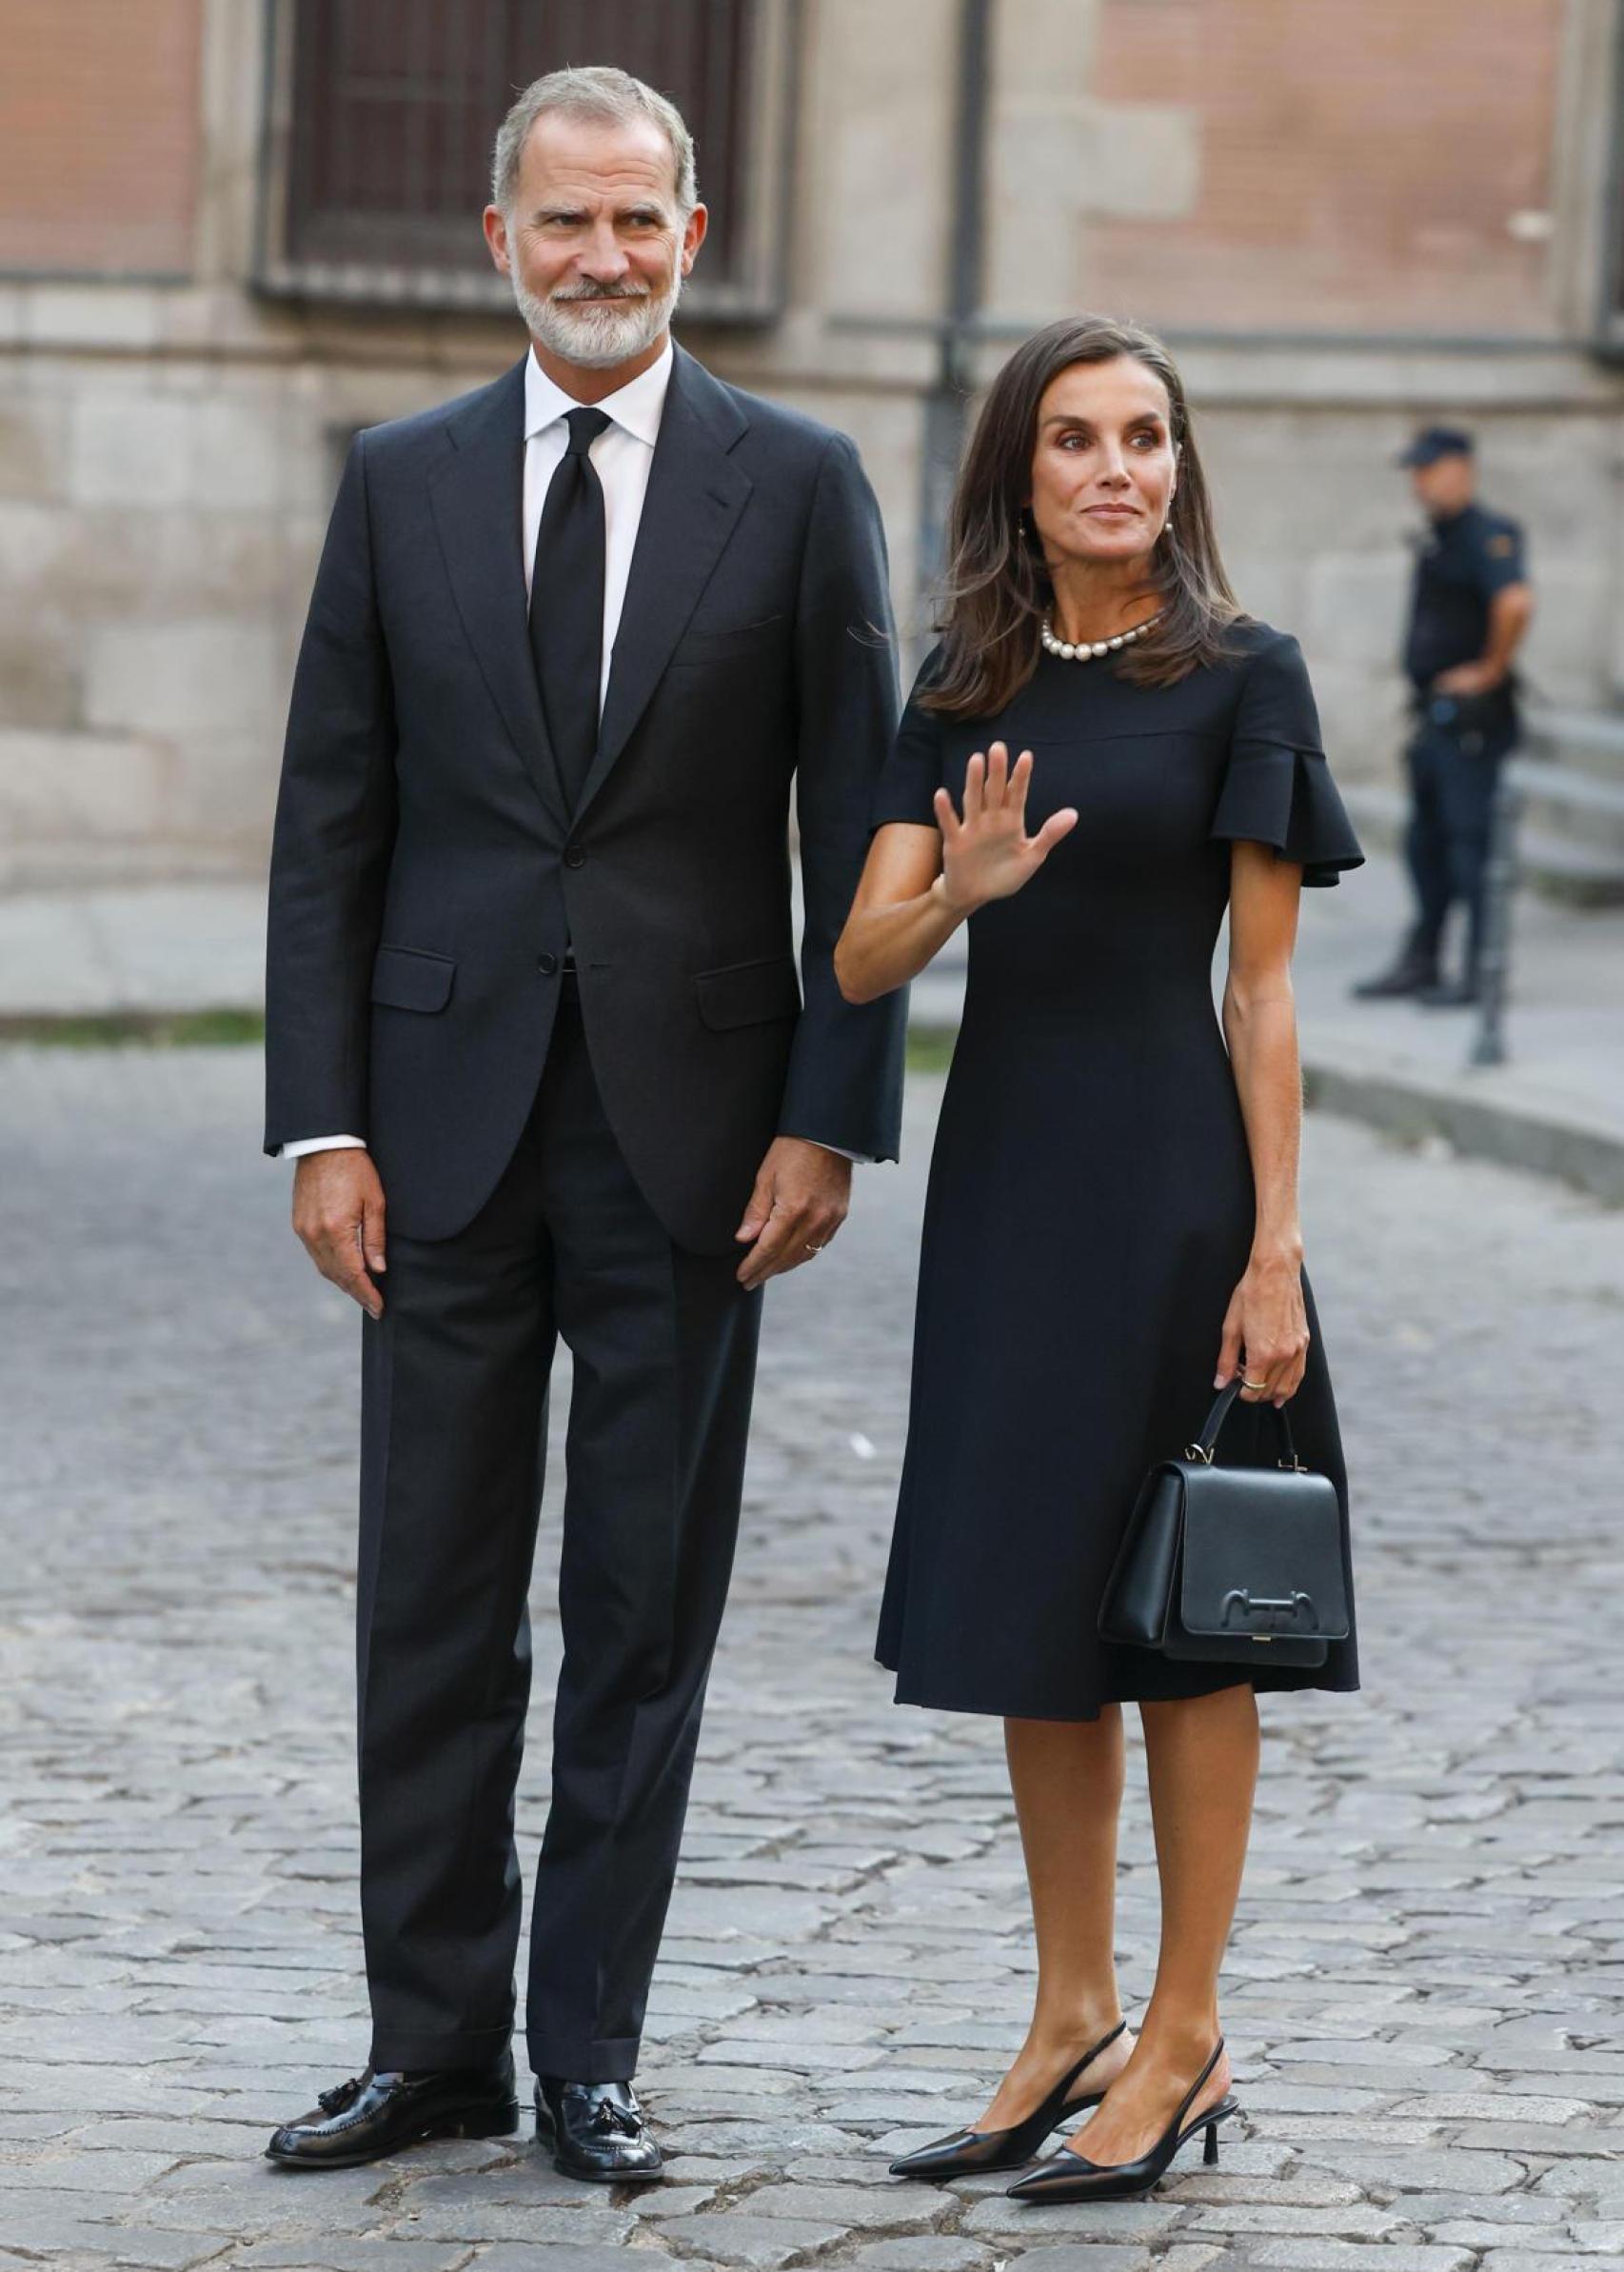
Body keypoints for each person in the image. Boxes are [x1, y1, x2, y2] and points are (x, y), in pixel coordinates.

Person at [261, 67, 905, 2182]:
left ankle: (586, 2053)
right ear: (499, 241)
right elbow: (328, 822)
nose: (603, 258)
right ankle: (428, 2038)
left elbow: (862, 828)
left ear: (693, 237)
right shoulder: (400, 478)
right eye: (566, 223)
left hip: (696, 1142)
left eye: (639, 222)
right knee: (429, 1597)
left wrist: (829, 1114)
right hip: (432, 1132)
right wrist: (319, 1120)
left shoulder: (796, 482)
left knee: (642, 1603)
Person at [834, 316, 1362, 2206]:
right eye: (1075, 438)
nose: (1114, 468)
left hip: (1172, 1191)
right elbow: (859, 960)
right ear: (1021, 470)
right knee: (1028, 1611)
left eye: (1145, 435)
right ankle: (1068, 2008)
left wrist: (1277, 1244)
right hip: (1003, 1186)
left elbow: (1265, 984)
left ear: (1177, 466)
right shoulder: (963, 680)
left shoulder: (1243, 677)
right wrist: (952, 890)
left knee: (1177, 1624)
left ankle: (1185, 2024)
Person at [1355, 426, 1533, 1006]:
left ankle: (1482, 972)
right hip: (1435, 717)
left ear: (1461, 468)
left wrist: (1490, 668)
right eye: (1416, 471)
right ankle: (1425, 957)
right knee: (1424, 845)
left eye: (1429, 469)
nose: (1419, 481)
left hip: (1472, 722)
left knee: (1469, 846)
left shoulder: (1488, 534)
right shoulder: (1440, 536)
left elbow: (1515, 601)